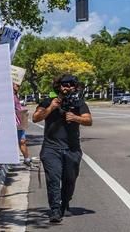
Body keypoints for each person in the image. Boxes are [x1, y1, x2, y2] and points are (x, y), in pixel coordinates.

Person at [32, 74, 92, 223]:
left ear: (76, 87)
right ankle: (55, 210)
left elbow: (88, 120)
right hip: (51, 148)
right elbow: (35, 117)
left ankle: (64, 203)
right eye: (65, 84)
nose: (68, 87)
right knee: (53, 179)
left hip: (72, 149)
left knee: (70, 180)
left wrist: (76, 118)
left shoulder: (79, 103)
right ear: (59, 86)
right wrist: (51, 107)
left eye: (72, 84)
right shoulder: (48, 101)